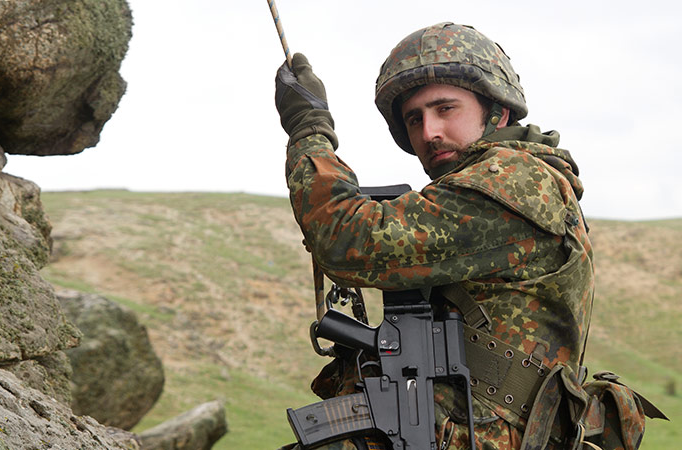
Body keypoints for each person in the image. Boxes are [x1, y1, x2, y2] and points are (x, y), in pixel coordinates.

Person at [275, 22, 647, 449]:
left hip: (475, 433)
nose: (429, 131)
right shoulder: (491, 185)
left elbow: (348, 240)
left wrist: (309, 130)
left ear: (497, 112)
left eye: (445, 109)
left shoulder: (514, 181)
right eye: (415, 118)